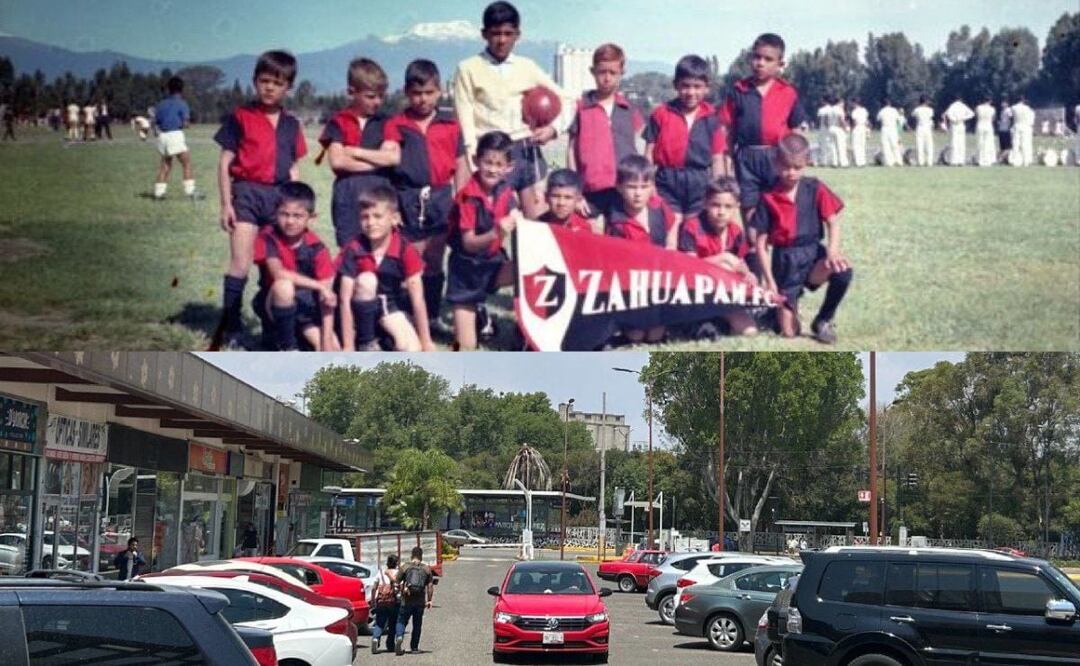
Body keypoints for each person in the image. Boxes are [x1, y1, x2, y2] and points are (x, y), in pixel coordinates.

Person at [213, 50, 308, 350]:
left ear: (288, 87)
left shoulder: (292, 124)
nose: (269, 87)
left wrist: (297, 206)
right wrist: (226, 203)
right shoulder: (240, 117)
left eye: (277, 83)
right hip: (247, 194)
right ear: (255, 81)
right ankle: (231, 328)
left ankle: (273, 329)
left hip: (279, 198)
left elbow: (294, 167)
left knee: (274, 267)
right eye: (264, 81)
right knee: (240, 262)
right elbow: (224, 162)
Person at [452, 1, 566, 219]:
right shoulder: (468, 68)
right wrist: (473, 163)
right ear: (484, 34)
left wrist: (554, 129)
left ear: (517, 35)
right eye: (495, 33)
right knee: (490, 220)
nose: (502, 40)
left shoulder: (527, 66)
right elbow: (465, 122)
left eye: (508, 33)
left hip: (525, 149)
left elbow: (566, 97)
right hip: (490, 154)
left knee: (538, 221)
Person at [383, 59, 469, 329]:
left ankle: (431, 316)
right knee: (410, 259)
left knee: (434, 258)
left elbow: (462, 165)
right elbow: (387, 169)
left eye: (429, 92)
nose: (422, 99)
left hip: (441, 199)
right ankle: (406, 315)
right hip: (407, 199)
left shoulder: (451, 124)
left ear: (440, 91)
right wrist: (393, 207)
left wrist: (461, 200)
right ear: (406, 92)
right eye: (416, 93)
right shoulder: (396, 124)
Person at [717, 32, 807, 279]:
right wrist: (726, 165)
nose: (760, 63)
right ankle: (759, 277)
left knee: (780, 219)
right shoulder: (738, 90)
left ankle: (781, 278)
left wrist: (795, 162)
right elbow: (728, 130)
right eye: (756, 57)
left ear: (780, 64)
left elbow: (796, 132)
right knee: (752, 221)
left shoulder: (788, 92)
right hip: (746, 159)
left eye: (768, 59)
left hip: (778, 159)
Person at [751, 133, 852, 344]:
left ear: (807, 163)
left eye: (797, 167)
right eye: (786, 167)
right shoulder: (768, 196)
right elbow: (760, 245)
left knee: (842, 270)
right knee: (788, 333)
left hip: (813, 253)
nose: (791, 173)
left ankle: (823, 320)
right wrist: (769, 282)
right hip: (785, 261)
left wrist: (832, 252)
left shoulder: (815, 187)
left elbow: (833, 222)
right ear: (776, 164)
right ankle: (779, 310)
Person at [337, 184, 435, 352]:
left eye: (378, 216)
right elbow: (344, 300)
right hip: (357, 309)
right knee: (367, 280)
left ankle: (384, 340)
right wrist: (348, 346)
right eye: (365, 217)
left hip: (388, 306)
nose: (371, 222)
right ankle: (366, 343)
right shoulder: (353, 248)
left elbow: (417, 298)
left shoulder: (406, 249)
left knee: (411, 349)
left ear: (394, 218)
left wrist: (426, 341)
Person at [446, 130, 520, 351]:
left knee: (528, 272)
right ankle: (476, 311)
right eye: (488, 162)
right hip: (466, 270)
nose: (493, 169)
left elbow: (515, 212)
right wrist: (496, 232)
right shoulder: (468, 197)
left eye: (499, 164)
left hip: (491, 263)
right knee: (466, 348)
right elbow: (468, 243)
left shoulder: (506, 190)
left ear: (509, 168)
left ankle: (524, 331)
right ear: (476, 160)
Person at [319, 57, 397, 249]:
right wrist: (377, 160)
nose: (377, 101)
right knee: (350, 251)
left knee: (381, 251)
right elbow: (337, 162)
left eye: (381, 96)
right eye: (371, 96)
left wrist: (354, 151)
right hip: (347, 197)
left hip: (380, 195)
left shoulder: (387, 122)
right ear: (351, 92)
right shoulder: (338, 122)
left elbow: (392, 157)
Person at [643, 54, 726, 231]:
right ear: (676, 85)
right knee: (669, 229)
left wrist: (720, 190)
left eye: (697, 87)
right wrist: (649, 184)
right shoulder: (661, 114)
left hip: (700, 182)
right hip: (667, 180)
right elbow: (648, 153)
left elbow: (718, 158)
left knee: (693, 231)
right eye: (685, 86)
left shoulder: (713, 119)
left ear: (707, 88)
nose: (691, 92)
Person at [252, 182, 337, 351]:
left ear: (311, 218)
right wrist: (318, 285)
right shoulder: (268, 236)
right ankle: (287, 348)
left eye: (298, 216)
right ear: (276, 213)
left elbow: (327, 299)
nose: (290, 221)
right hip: (274, 302)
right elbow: (278, 273)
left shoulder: (318, 248)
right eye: (284, 214)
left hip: (307, 309)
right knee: (283, 286)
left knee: (332, 349)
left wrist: (326, 341)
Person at [567, 42, 644, 222]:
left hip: (623, 190)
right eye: (602, 72)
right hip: (590, 190)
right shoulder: (582, 106)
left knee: (620, 237)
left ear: (621, 74)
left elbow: (640, 149)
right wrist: (576, 192)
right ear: (593, 71)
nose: (607, 78)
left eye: (613, 73)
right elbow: (571, 150)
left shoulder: (629, 109)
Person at [605, 155, 676, 344]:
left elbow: (672, 225)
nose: (638, 193)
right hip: (633, 284)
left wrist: (671, 246)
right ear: (619, 188)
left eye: (644, 187)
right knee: (636, 336)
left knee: (655, 335)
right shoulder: (617, 221)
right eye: (631, 187)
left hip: (660, 281)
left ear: (652, 187)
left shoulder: (659, 208)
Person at [677, 177, 758, 336]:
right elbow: (688, 268)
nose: (721, 212)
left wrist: (748, 274)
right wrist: (722, 257)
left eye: (728, 207)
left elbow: (741, 263)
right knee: (725, 265)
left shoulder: (736, 231)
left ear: (736, 207)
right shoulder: (692, 227)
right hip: (696, 291)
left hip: (724, 294)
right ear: (706, 203)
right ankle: (698, 321)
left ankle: (719, 319)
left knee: (750, 331)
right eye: (715, 205)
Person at [153, 76, 196, 201]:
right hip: (175, 135)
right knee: (186, 163)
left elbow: (156, 122)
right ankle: (190, 191)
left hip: (162, 136)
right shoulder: (182, 103)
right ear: (181, 89)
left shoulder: (161, 104)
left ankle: (159, 193)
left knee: (165, 165)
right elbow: (185, 123)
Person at [394, 546, 434, 656]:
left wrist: (403, 589)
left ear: (412, 555)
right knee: (417, 624)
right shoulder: (426, 569)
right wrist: (429, 600)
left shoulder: (405, 567)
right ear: (421, 556)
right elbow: (430, 586)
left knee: (401, 621)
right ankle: (414, 647)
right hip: (419, 602)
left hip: (406, 600)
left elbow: (397, 583)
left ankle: (400, 636)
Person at [370, 554, 401, 654]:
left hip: (381, 601)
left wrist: (373, 600)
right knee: (393, 624)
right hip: (393, 601)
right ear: (396, 563)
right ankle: (390, 645)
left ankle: (376, 638)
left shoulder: (381, 573)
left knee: (379, 622)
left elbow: (374, 587)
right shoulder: (398, 573)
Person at [944, 95, 974, 166]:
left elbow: (948, 114)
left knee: (954, 142)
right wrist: (963, 118)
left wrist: (955, 119)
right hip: (961, 125)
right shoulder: (963, 106)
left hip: (954, 125)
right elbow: (972, 114)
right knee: (961, 142)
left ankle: (954, 161)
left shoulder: (952, 106)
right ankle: (961, 160)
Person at [1010, 95, 1035, 166]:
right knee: (1025, 144)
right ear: (1023, 100)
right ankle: (1026, 161)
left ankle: (1015, 160)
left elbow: (1011, 116)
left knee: (1015, 144)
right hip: (1025, 126)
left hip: (1017, 125)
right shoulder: (1027, 108)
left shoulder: (1013, 107)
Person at [876, 98, 902, 166]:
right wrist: (899, 130)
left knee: (886, 146)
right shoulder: (894, 110)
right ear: (889, 103)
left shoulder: (881, 111)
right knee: (895, 145)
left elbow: (878, 120)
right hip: (893, 128)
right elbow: (898, 121)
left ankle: (890, 162)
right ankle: (899, 161)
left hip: (885, 128)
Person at [911, 96, 935, 167]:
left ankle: (920, 162)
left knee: (919, 144)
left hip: (920, 127)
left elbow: (913, 116)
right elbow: (931, 117)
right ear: (926, 102)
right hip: (927, 127)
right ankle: (929, 162)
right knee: (929, 145)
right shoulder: (930, 110)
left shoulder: (917, 109)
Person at [975, 95, 997, 167]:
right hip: (988, 126)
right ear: (990, 101)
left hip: (980, 125)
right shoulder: (992, 109)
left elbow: (977, 116)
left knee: (980, 143)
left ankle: (979, 160)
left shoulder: (978, 107)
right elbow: (993, 119)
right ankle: (988, 160)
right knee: (988, 143)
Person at [849, 97, 869, 167]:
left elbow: (854, 122)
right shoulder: (864, 110)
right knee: (862, 144)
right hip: (863, 127)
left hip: (857, 128)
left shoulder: (854, 111)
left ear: (854, 103)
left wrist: (851, 129)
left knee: (856, 145)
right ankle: (863, 161)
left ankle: (858, 162)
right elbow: (866, 121)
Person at [816, 100, 836, 167]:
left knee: (823, 145)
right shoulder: (833, 109)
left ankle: (824, 162)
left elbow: (821, 120)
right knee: (832, 145)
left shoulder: (822, 110)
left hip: (824, 128)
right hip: (832, 127)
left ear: (824, 101)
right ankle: (834, 161)